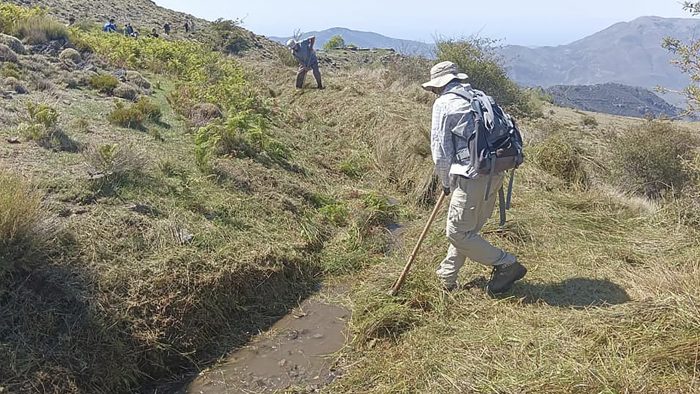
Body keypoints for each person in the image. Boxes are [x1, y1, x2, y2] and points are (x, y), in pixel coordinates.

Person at [422, 61, 527, 294]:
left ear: (439, 86)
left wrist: (446, 183)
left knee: (457, 233)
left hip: (471, 177)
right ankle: (446, 278)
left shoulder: (444, 103)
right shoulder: (478, 96)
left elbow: (440, 151)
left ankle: (506, 264)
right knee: (467, 231)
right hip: (495, 172)